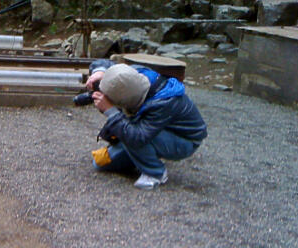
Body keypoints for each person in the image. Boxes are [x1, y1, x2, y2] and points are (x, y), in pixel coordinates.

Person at [86, 59, 208, 190]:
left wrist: (111, 111)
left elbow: (138, 137)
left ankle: (155, 173)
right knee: (100, 163)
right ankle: (142, 158)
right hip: (153, 129)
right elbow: (107, 64)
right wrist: (100, 72)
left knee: (131, 132)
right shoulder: (133, 74)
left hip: (184, 139)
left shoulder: (163, 102)